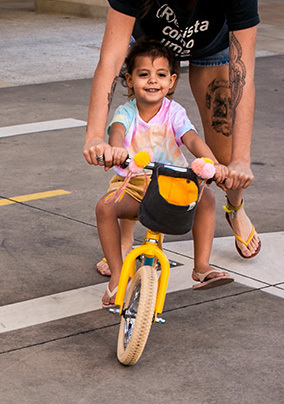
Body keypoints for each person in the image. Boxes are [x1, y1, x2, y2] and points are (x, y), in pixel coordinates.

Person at [85, 0, 260, 275]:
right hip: (149, 43)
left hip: (211, 45)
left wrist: (240, 159)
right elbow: (110, 60)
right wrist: (96, 136)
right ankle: (125, 240)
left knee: (227, 164)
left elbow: (243, 76)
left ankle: (235, 208)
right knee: (136, 141)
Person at [95, 39, 232, 307]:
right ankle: (117, 275)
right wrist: (115, 149)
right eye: (143, 74)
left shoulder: (174, 112)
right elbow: (117, 131)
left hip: (173, 185)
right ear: (130, 79)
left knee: (206, 199)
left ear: (171, 81)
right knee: (105, 208)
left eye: (160, 75)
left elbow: (191, 138)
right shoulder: (126, 112)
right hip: (135, 184)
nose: (152, 81)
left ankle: (201, 266)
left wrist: (213, 163)